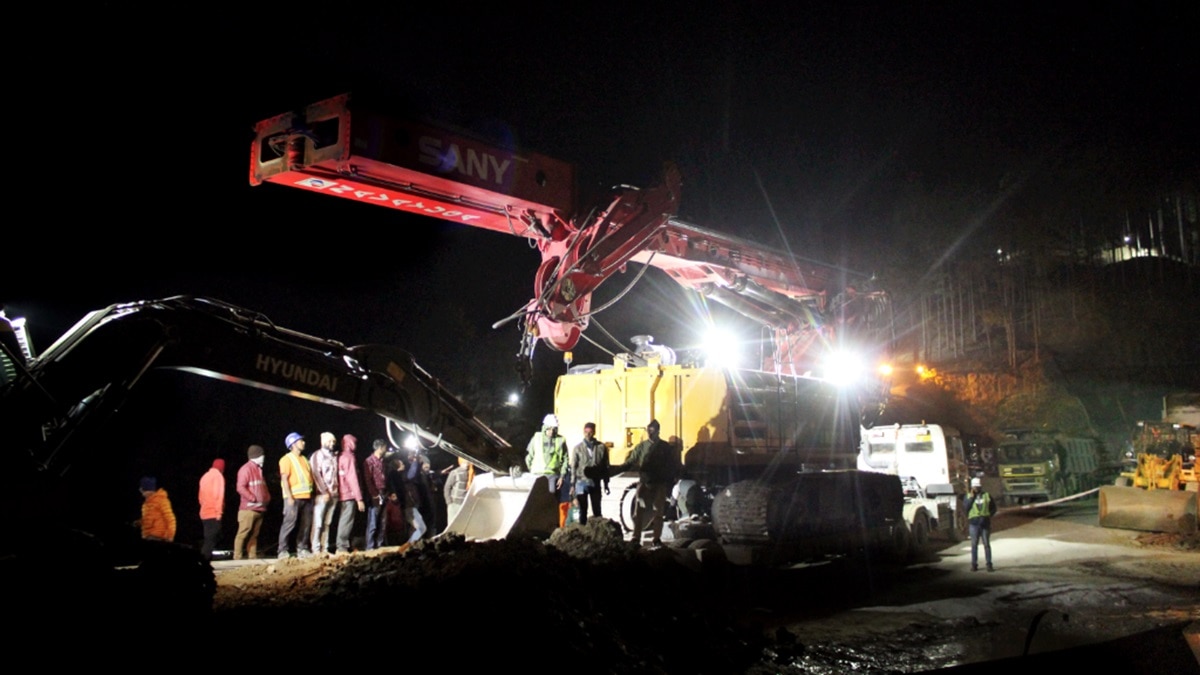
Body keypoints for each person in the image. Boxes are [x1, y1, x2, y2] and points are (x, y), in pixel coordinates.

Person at [613, 420, 680, 547]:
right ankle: (636, 537)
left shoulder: (664, 447)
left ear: (658, 431)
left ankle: (656, 538)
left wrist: (670, 479)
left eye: (652, 430)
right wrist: (617, 469)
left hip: (659, 484)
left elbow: (671, 465)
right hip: (644, 483)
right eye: (648, 430)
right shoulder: (641, 447)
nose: (649, 433)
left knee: (658, 512)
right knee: (639, 512)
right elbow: (631, 461)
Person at [278, 432, 315, 559]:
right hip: (293, 497)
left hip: (307, 497)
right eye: (300, 440)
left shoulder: (304, 459)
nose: (303, 442)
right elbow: (284, 479)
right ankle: (282, 550)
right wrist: (289, 497)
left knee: (306, 524)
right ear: (293, 444)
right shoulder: (286, 459)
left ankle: (302, 548)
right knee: (289, 523)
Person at [525, 413, 567, 520]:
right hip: (537, 475)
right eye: (549, 429)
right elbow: (529, 457)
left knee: (550, 501)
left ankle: (549, 524)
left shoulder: (561, 440)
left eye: (554, 429)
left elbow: (565, 460)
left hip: (553, 476)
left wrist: (562, 476)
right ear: (544, 428)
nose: (551, 431)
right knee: (536, 502)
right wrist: (530, 470)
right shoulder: (537, 437)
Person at [233, 444, 270, 560]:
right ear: (256, 456)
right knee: (243, 533)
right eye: (261, 455)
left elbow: (263, 487)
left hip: (260, 509)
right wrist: (253, 498)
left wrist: (267, 498)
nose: (263, 457)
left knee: (254, 535)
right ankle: (237, 557)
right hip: (248, 509)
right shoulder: (246, 469)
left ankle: (252, 556)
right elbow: (240, 487)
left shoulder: (259, 470)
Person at [569, 422, 610, 525]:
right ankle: (582, 533)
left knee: (597, 511)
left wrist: (606, 483)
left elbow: (606, 467)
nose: (588, 434)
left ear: (594, 432)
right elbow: (573, 467)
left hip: (595, 481)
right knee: (582, 511)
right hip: (581, 482)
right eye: (586, 432)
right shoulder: (577, 448)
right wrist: (572, 484)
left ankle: (597, 533)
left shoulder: (601, 447)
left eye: (590, 432)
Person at [310, 431, 340, 555]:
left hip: (334, 494)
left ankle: (324, 548)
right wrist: (324, 491)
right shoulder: (317, 455)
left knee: (327, 523)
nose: (332, 443)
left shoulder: (334, 456)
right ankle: (315, 548)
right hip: (322, 495)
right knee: (318, 522)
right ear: (323, 442)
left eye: (333, 441)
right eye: (330, 441)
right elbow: (316, 474)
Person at [334, 434, 365, 554]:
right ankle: (341, 547)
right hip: (349, 494)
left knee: (344, 520)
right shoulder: (349, 457)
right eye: (354, 443)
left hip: (341, 493)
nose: (355, 445)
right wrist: (359, 498)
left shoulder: (339, 456)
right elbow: (352, 478)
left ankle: (342, 545)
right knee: (346, 521)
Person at [966, 476, 997, 572]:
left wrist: (988, 516)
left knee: (986, 544)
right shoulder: (968, 496)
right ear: (972, 487)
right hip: (974, 524)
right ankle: (974, 565)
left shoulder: (987, 495)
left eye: (977, 487)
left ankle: (989, 564)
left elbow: (993, 508)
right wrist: (971, 498)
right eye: (974, 487)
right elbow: (966, 508)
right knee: (974, 545)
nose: (976, 489)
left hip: (985, 524)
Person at [197, 458, 226, 560]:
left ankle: (205, 558)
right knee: (211, 538)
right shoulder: (218, 477)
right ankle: (202, 560)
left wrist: (204, 507)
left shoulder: (204, 477)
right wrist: (219, 513)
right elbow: (219, 496)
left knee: (209, 537)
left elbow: (200, 497)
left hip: (204, 512)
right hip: (213, 512)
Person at [364, 439, 389, 550]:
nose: (386, 449)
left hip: (383, 492)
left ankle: (379, 544)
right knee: (373, 521)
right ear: (380, 448)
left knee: (383, 521)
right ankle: (369, 546)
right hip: (375, 493)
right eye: (385, 447)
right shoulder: (369, 461)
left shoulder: (383, 461)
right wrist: (374, 494)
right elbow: (368, 479)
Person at [138, 476, 176, 542]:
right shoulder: (147, 503)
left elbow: (171, 519)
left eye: (143, 491)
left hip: (158, 538)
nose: (142, 493)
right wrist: (139, 522)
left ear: (149, 491)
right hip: (147, 537)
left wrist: (170, 536)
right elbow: (149, 518)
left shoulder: (162, 501)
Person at [443, 457, 473, 524]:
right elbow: (447, 487)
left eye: (467, 463)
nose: (466, 465)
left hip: (465, 504)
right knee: (452, 526)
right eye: (464, 463)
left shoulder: (471, 473)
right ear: (460, 463)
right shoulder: (455, 472)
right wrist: (449, 502)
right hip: (455, 504)